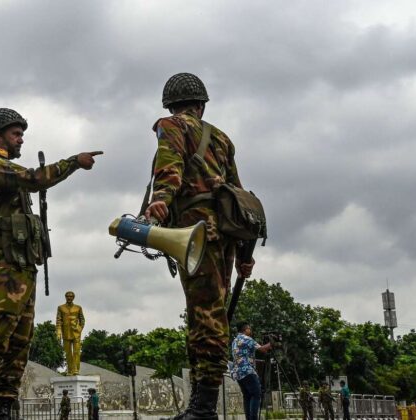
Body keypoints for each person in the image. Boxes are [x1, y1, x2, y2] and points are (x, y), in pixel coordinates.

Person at [0, 108, 102, 420]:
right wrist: (73, 162)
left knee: (19, 342)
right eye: (15, 133)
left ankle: (3, 408)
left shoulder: (7, 169)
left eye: (21, 133)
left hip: (21, 266)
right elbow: (36, 179)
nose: (21, 138)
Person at [143, 73, 254, 420]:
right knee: (210, 314)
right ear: (201, 105)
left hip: (194, 233)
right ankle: (200, 404)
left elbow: (169, 169)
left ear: (170, 105)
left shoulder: (171, 126)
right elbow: (240, 197)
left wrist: (159, 202)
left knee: (205, 318)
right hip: (223, 235)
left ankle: (203, 408)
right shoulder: (222, 138)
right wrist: (244, 255)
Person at [229, 323, 272, 420]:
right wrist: (272, 343)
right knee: (256, 393)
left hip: (238, 373)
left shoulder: (235, 341)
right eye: (249, 329)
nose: (251, 331)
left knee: (247, 396)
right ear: (245, 329)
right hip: (247, 371)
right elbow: (263, 349)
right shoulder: (247, 339)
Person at [56, 291, 85, 375]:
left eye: (71, 296)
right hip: (66, 333)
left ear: (73, 297)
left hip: (76, 333)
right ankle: (70, 370)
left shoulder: (78, 308)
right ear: (65, 297)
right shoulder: (60, 308)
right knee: (68, 353)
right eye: (67, 296)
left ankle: (76, 369)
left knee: (76, 352)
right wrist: (58, 332)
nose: (69, 298)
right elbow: (58, 320)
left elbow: (82, 320)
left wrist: (79, 329)